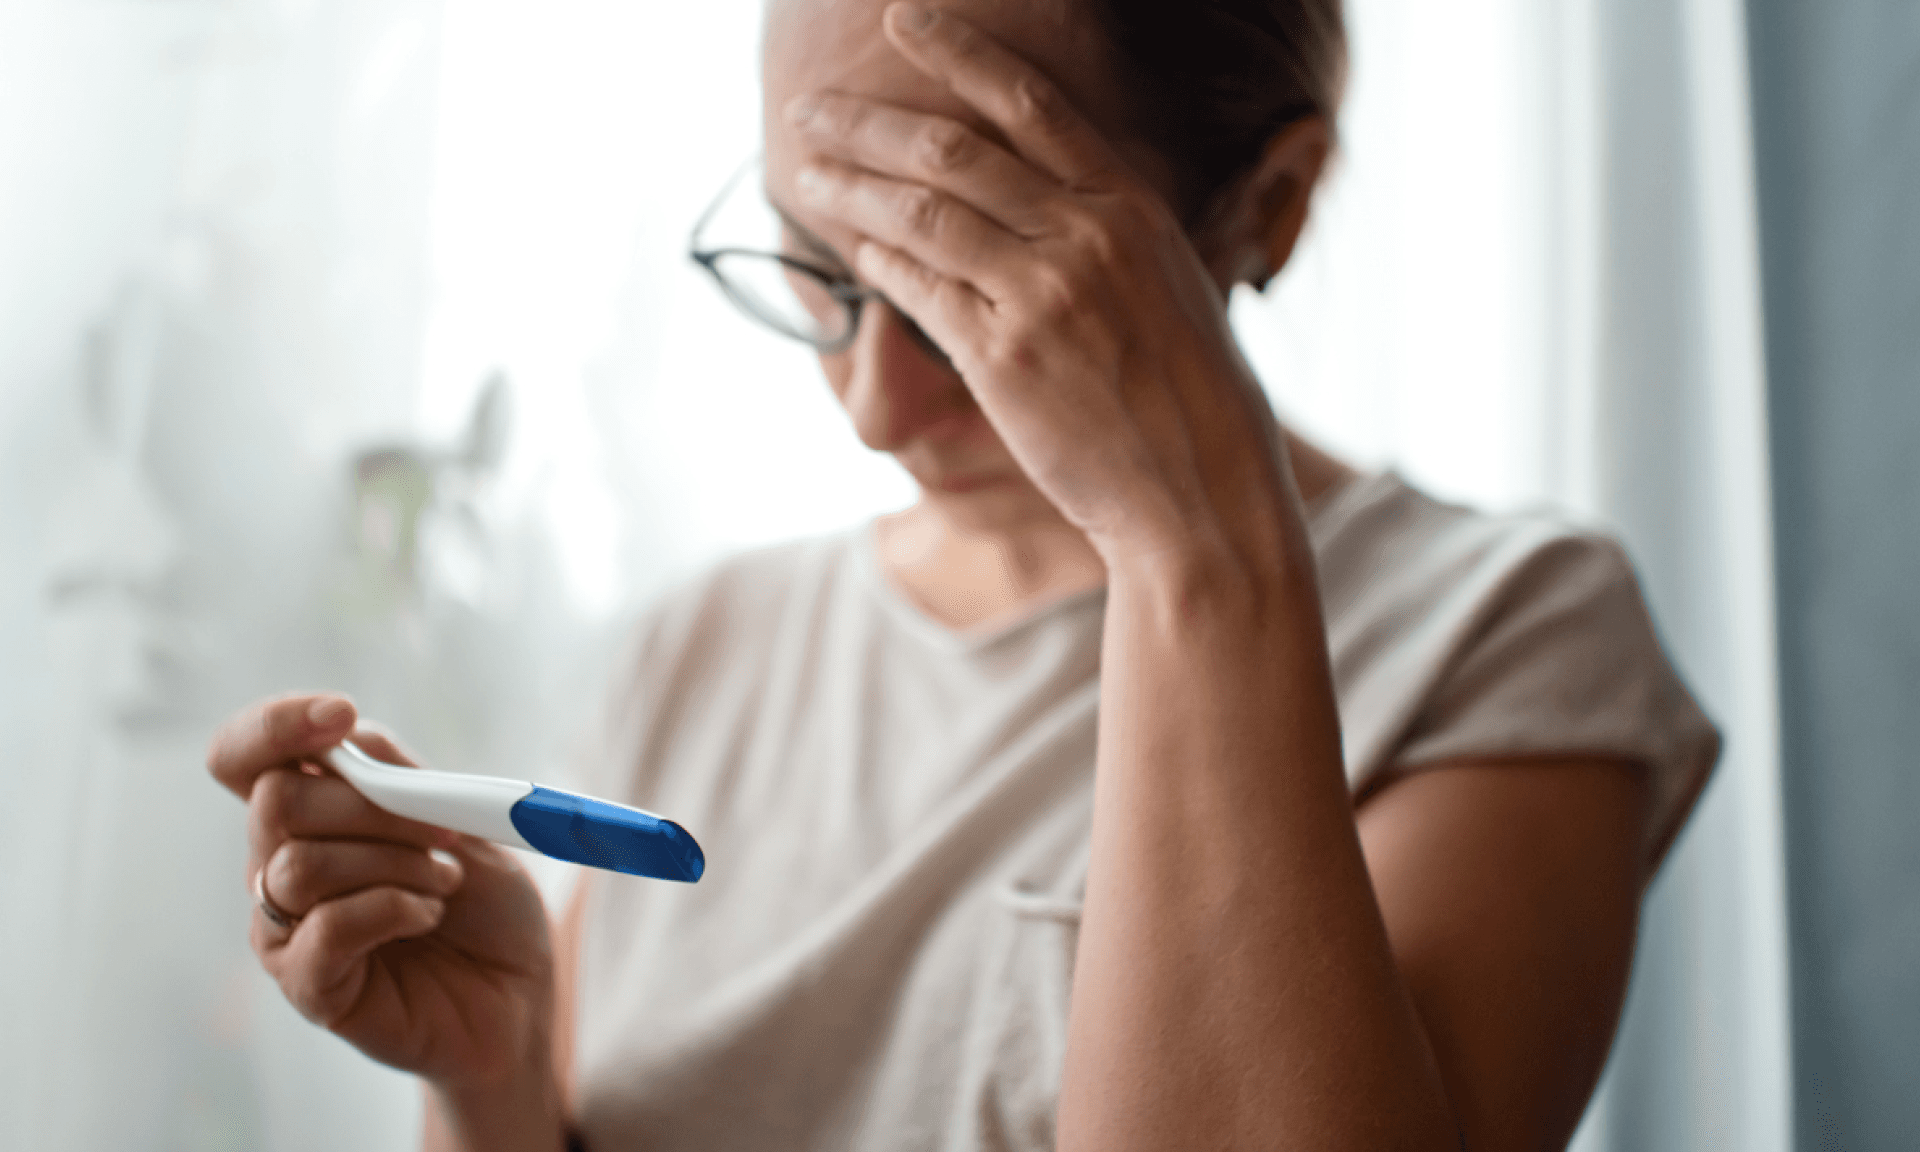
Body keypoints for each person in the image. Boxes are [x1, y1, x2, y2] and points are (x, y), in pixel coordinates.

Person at [206, 1, 1721, 1149]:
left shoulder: (1505, 635)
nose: (872, 407)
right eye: (817, 268)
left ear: (1266, 209)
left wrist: (1190, 550)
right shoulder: (703, 647)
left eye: (961, 295)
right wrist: (494, 1074)